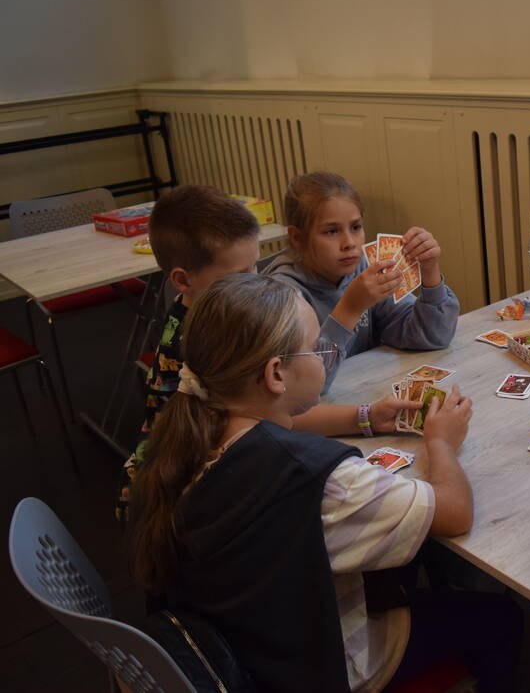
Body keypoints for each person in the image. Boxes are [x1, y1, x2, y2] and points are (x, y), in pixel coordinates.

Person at [129, 273, 521, 692]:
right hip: (322, 664)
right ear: (276, 374)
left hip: (246, 642)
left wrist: (365, 417)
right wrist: (441, 443)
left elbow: (282, 423)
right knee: (503, 618)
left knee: (408, 561)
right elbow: (456, 513)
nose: (325, 356)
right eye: (317, 348)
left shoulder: (184, 433)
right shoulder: (317, 479)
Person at [117, 185, 420, 521]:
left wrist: (366, 417)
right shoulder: (214, 339)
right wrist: (363, 417)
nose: (255, 282)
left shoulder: (217, 316)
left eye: (255, 267)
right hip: (174, 507)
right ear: (183, 281)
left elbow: (273, 410)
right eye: (239, 275)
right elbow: (272, 415)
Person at [264, 172, 459, 392]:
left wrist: (430, 273)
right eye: (331, 231)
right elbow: (304, 388)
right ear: (297, 238)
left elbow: (433, 337)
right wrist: (350, 308)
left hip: (366, 396)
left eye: (356, 227)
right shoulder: (282, 296)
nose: (349, 243)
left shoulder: (364, 270)